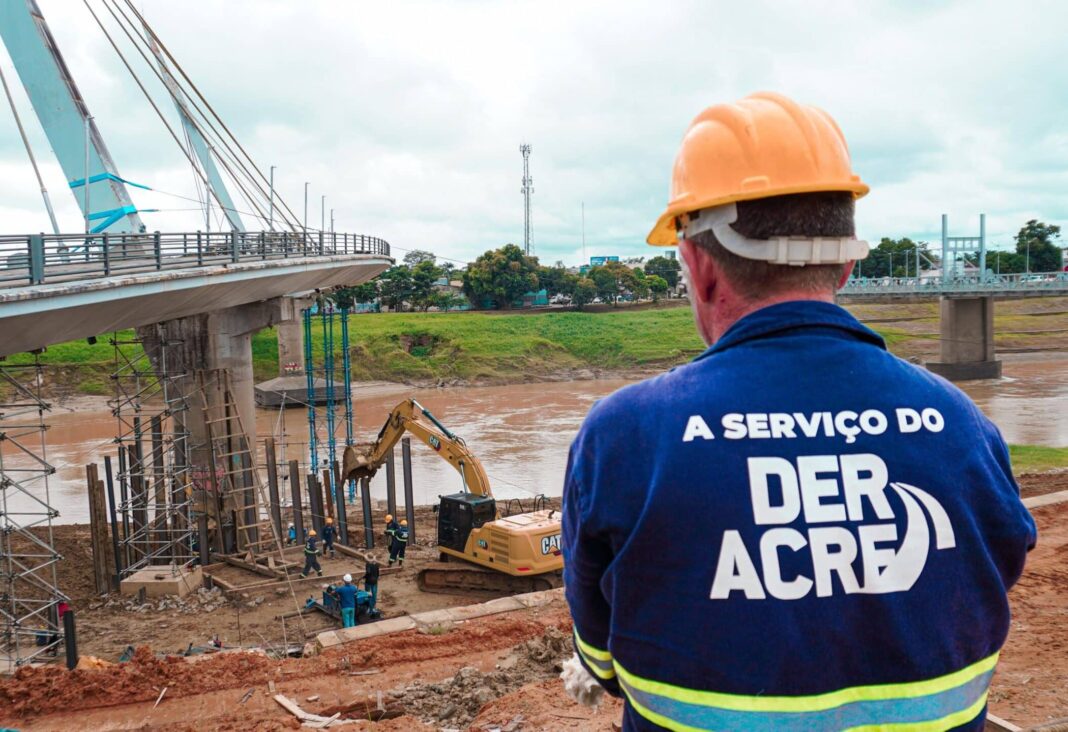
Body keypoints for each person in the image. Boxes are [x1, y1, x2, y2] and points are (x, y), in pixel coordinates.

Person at [561, 92, 1037, 731]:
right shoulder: (959, 423)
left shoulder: (625, 437)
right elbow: (995, 568)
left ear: (700, 269)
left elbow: (601, 647)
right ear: (844, 263)